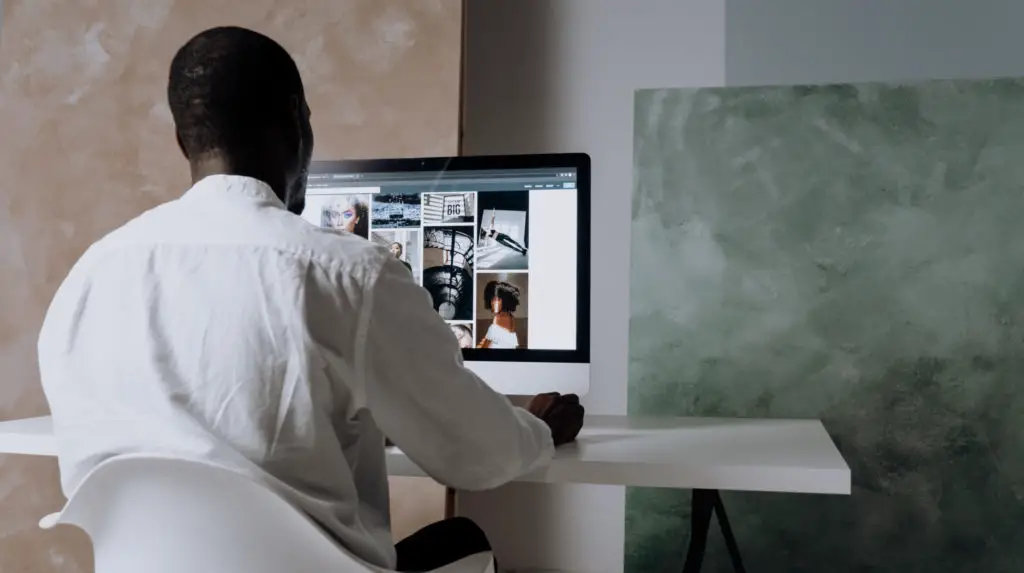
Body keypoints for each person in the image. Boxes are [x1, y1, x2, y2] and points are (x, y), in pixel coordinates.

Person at [37, 26, 584, 572]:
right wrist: (538, 431)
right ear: (297, 122)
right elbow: (477, 456)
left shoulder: (88, 277)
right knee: (465, 538)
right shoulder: (349, 274)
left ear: (183, 142)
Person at [477, 280, 522, 349]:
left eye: (497, 299)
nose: (493, 303)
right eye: (492, 299)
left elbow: (485, 346)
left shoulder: (499, 318)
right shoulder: (510, 316)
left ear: (505, 300)